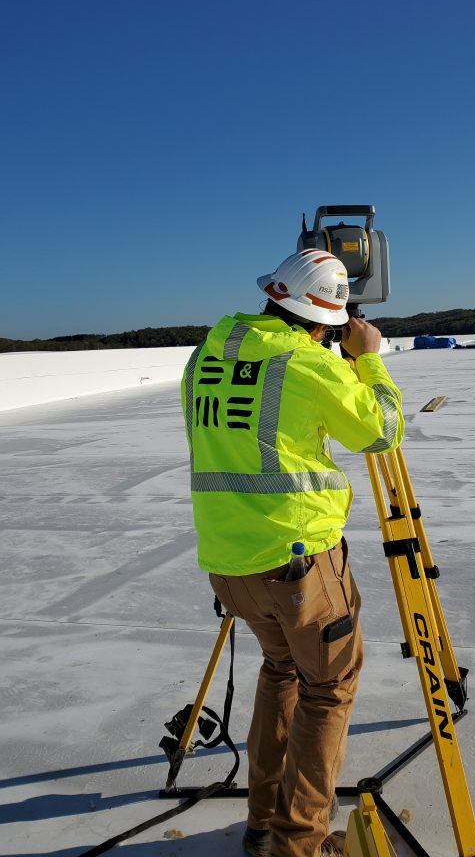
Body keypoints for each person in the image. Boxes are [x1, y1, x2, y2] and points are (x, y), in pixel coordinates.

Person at [180, 249, 404, 857]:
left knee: (281, 669)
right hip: (299, 564)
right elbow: (380, 430)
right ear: (326, 318)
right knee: (328, 689)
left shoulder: (207, 355)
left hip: (230, 565)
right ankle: (298, 845)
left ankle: (263, 820)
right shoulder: (309, 365)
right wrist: (369, 362)